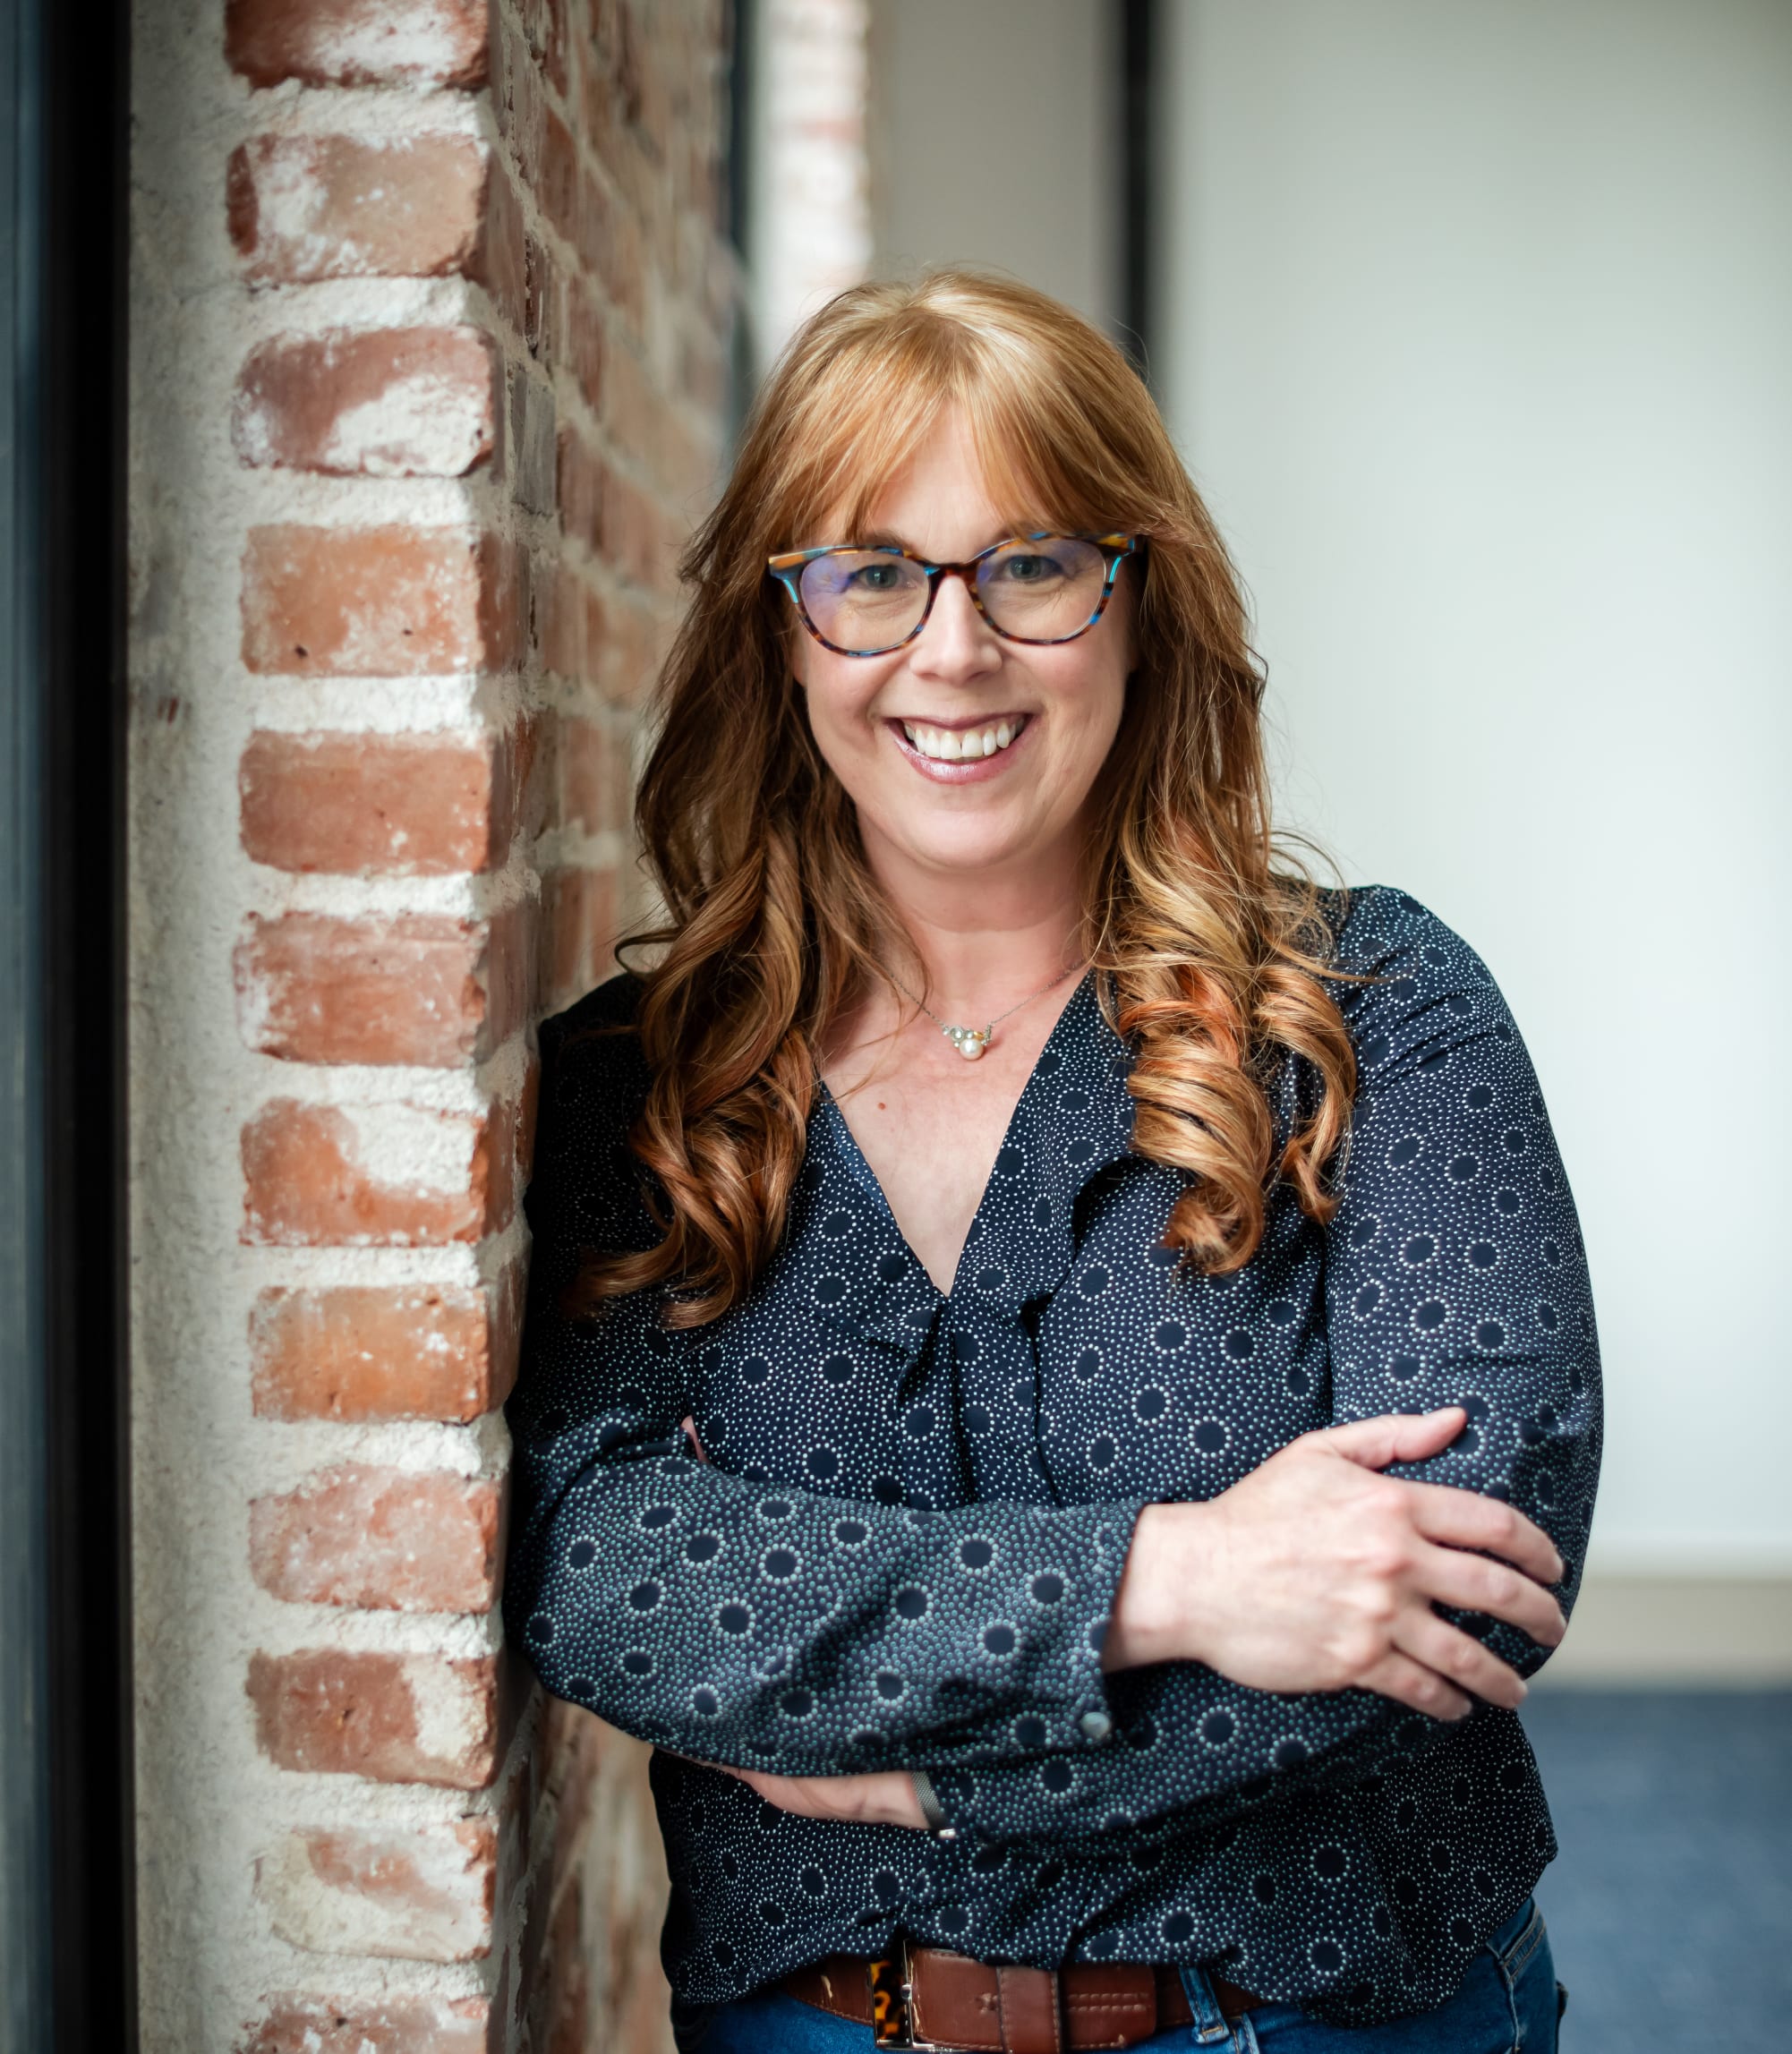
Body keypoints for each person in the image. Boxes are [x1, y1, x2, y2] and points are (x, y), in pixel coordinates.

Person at [503, 271, 1599, 2053]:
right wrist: (1170, 1580)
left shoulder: (1377, 1015)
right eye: (870, 571)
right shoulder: (646, 1084)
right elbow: (599, 1568)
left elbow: (1460, 1576)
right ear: (780, 632)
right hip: (819, 2025)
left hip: (1321, 2019)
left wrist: (905, 1776)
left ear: (1134, 604)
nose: (952, 650)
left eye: (1028, 562)